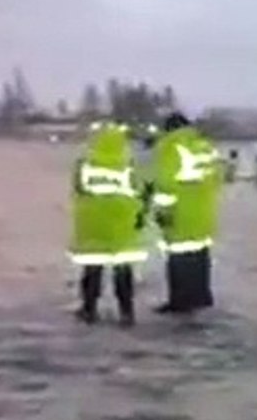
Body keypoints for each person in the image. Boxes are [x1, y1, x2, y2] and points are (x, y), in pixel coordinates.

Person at [69, 122, 147, 327]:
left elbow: (78, 188)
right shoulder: (128, 165)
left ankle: (89, 309)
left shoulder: (85, 163)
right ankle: (126, 312)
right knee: (123, 270)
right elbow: (140, 190)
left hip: (93, 223)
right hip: (122, 223)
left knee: (92, 269)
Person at [150, 112, 223, 314]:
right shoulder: (204, 146)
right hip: (204, 212)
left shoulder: (171, 147)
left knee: (178, 260)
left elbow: (165, 184)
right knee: (200, 257)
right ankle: (202, 297)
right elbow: (219, 177)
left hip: (180, 214)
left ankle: (179, 302)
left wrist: (163, 212)